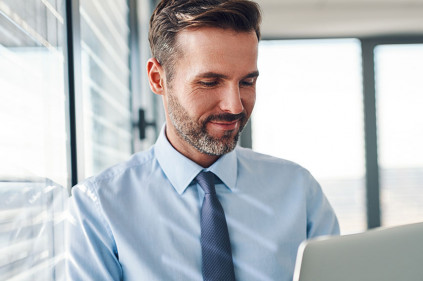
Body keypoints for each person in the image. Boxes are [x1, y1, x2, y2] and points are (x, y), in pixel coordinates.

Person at [66, 0, 339, 280]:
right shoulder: (99, 207)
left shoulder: (299, 190)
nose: (234, 107)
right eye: (209, 82)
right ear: (157, 78)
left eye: (246, 82)